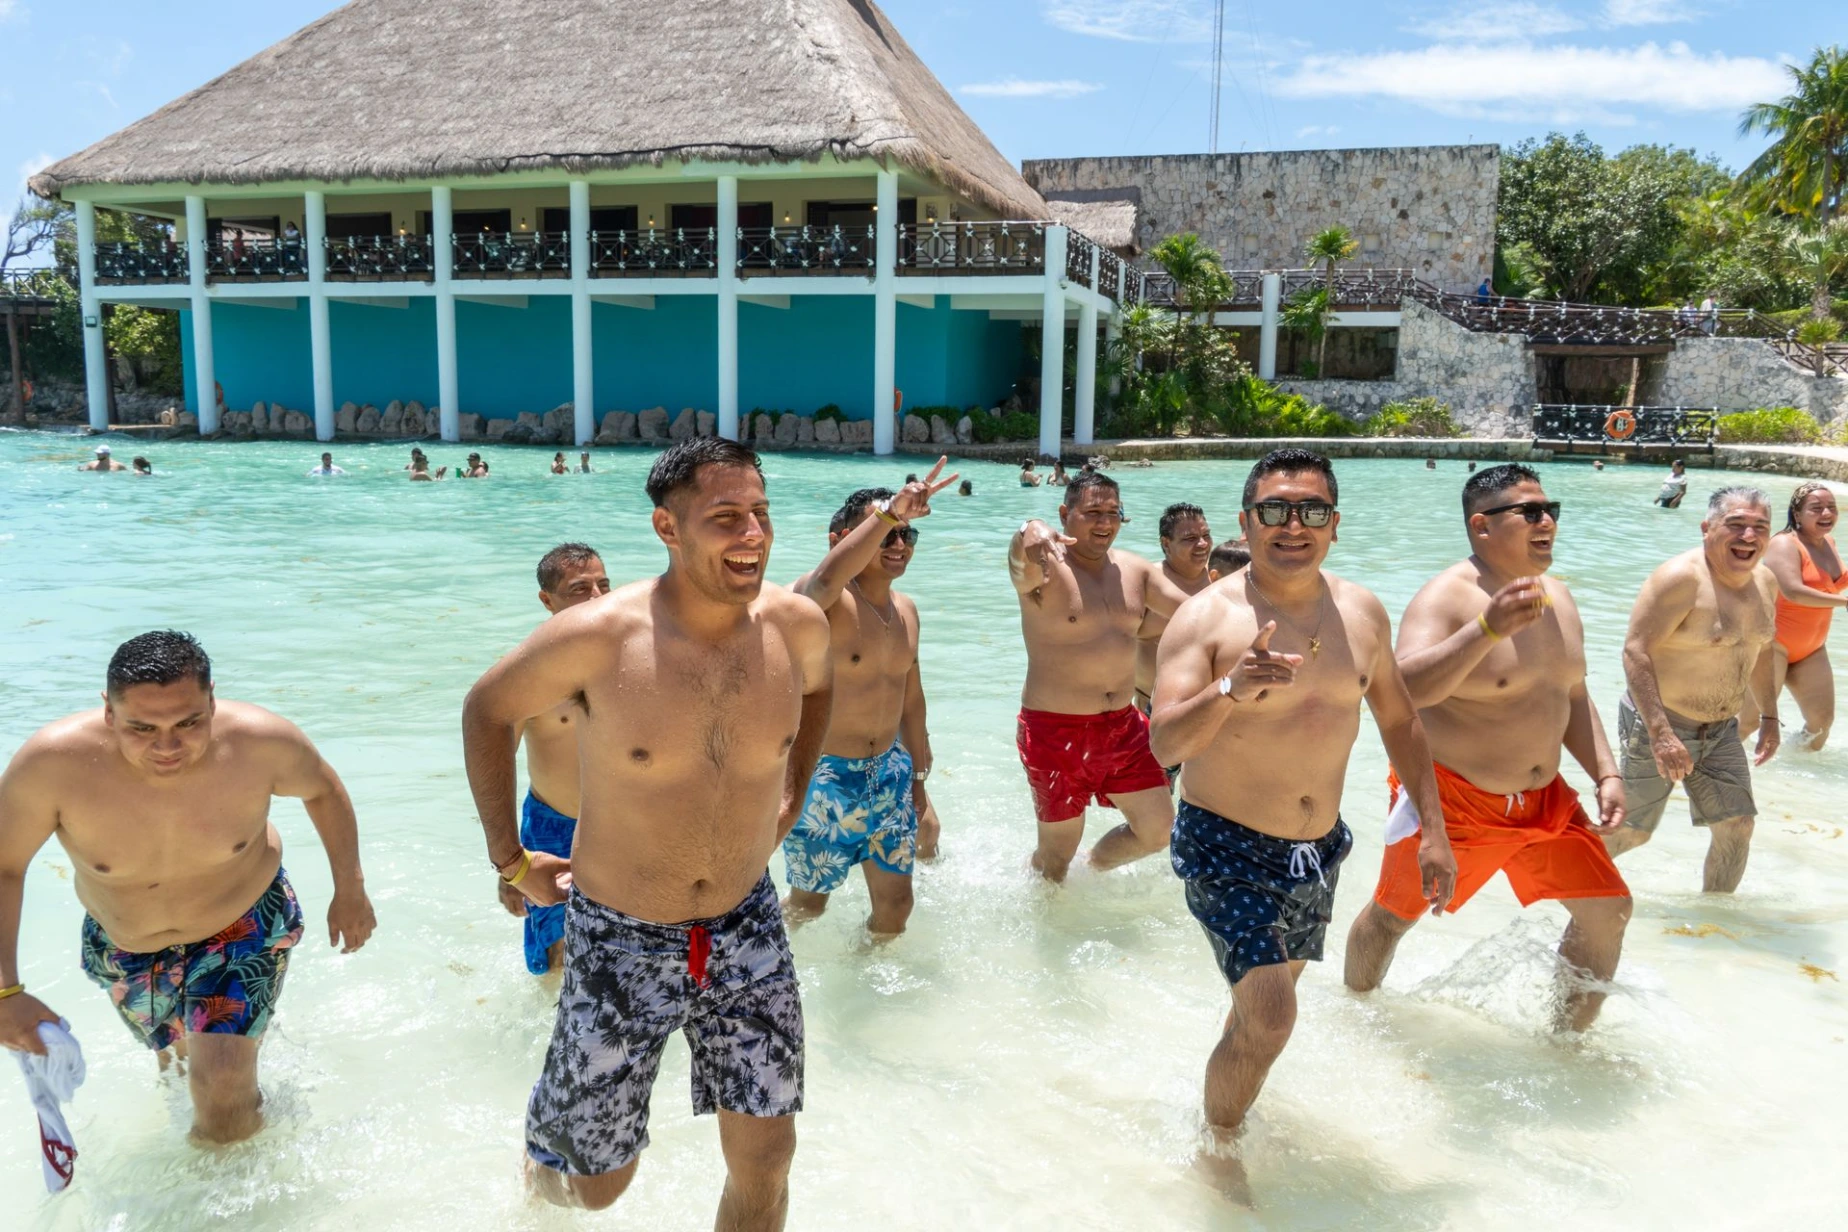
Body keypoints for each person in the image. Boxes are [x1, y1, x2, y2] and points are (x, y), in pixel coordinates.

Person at [461, 437, 831, 1220]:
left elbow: (821, 687)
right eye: (726, 517)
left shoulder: (796, 625)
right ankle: (546, 1143)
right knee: (597, 1190)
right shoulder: (599, 637)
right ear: (669, 527)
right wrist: (510, 860)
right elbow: (487, 709)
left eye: (761, 513)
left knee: (768, 1158)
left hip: (746, 924)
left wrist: (795, 792)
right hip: (619, 936)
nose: (753, 535)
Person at [1148, 449, 1454, 1190]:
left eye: (1312, 510)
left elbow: (1401, 721)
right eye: (1275, 510)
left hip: (1318, 851)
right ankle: (1218, 1154)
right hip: (1225, 843)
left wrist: (1435, 830)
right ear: (1247, 521)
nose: (1294, 525)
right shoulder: (1205, 618)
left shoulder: (1362, 613)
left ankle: (1226, 1099)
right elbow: (1164, 744)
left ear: (1335, 524)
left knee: (1258, 1013)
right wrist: (1230, 689)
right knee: (1274, 1016)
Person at [0, 631, 376, 1144]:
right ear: (108, 711)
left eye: (188, 722)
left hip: (243, 925)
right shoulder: (52, 765)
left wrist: (350, 888)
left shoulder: (261, 742)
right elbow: (5, 866)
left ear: (212, 701)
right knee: (179, 1074)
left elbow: (323, 790)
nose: (168, 746)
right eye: (142, 728)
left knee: (219, 1086)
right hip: (127, 947)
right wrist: (5, 990)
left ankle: (243, 1188)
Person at [1343, 465, 1631, 1032]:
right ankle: (1355, 1014)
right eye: (1530, 512)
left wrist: (1606, 773)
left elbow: (1572, 692)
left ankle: (1565, 1043)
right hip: (1455, 798)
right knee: (1393, 917)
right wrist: (1486, 630)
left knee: (1609, 910)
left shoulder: (1558, 596)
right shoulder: (1448, 598)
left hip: (1544, 801)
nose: (1547, 522)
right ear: (1482, 526)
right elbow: (1399, 692)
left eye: (1551, 510)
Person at [781, 460, 956, 938]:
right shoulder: (821, 602)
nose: (898, 544)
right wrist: (890, 512)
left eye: (906, 534)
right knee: (809, 906)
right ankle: (756, 958)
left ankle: (867, 980)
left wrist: (919, 783)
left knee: (896, 909)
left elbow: (911, 700)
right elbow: (820, 584)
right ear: (841, 540)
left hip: (889, 773)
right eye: (884, 533)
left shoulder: (907, 610)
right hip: (823, 777)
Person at [1010, 472, 1192, 880]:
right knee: (1056, 858)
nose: (1105, 522)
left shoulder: (1135, 571)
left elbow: (1196, 613)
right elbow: (1019, 559)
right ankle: (1043, 895)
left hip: (1123, 726)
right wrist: (1028, 528)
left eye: (1113, 512)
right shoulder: (1043, 569)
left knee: (1160, 831)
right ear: (1065, 514)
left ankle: (1092, 866)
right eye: (1093, 512)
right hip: (1054, 730)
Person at [1604, 487, 1780, 893]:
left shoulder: (1766, 582)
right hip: (1661, 723)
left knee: (1737, 824)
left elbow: (1763, 649)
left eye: (1759, 527)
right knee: (1632, 831)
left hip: (1721, 729)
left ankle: (1714, 920)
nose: (1748, 536)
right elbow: (1635, 651)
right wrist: (1661, 733)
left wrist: (1770, 715)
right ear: (1707, 528)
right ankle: (1564, 894)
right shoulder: (1680, 579)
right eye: (1736, 525)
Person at [494, 545, 613, 979]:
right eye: (580, 588)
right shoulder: (528, 673)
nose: (597, 597)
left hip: (621, 827)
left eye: (604, 585)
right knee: (560, 954)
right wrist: (508, 865)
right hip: (552, 828)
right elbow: (497, 768)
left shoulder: (628, 663)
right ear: (547, 600)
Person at [1737, 483, 1847, 752]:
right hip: (1772, 646)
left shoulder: (1828, 543)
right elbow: (1793, 591)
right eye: (1816, 508)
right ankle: (1703, 766)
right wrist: (1844, 602)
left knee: (1820, 725)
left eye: (1831, 507)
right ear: (1797, 514)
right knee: (1747, 723)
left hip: (1811, 649)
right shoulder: (1783, 543)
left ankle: (1787, 769)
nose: (1826, 513)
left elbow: (1830, 584)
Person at [1134, 503, 1216, 714]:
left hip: (1209, 707)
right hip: (1151, 710)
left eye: (1206, 535)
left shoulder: (1220, 578)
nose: (1202, 544)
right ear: (1166, 543)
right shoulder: (1148, 583)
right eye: (1190, 538)